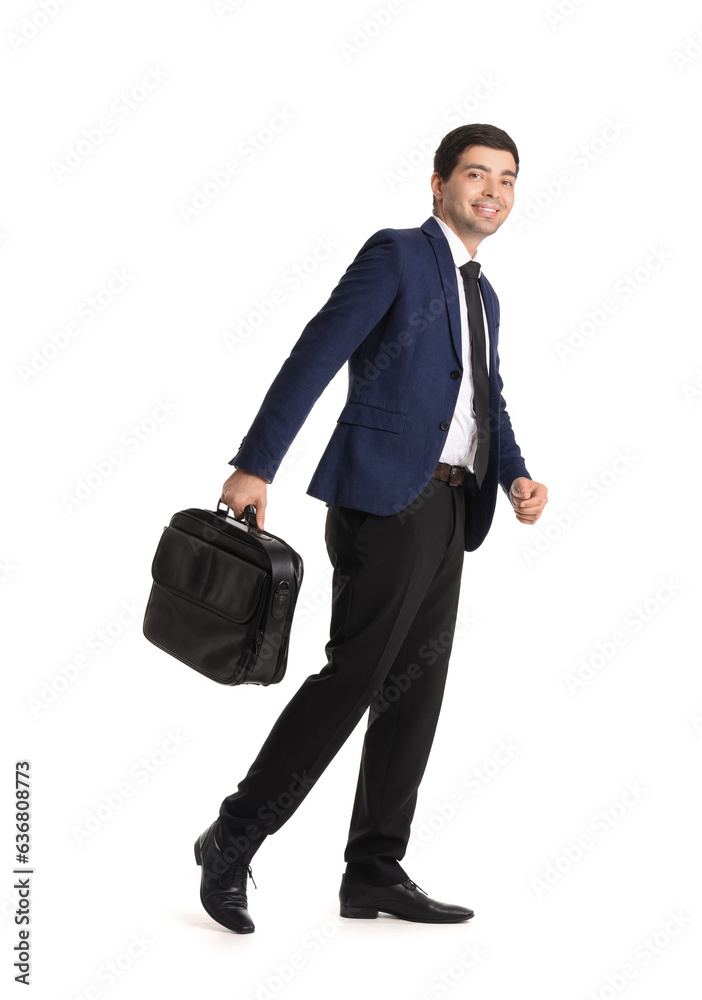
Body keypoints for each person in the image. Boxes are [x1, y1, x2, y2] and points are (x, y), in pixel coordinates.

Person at [194, 123, 549, 934]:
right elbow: (315, 353)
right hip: (387, 501)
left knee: (415, 690)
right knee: (354, 679)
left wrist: (516, 474)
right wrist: (257, 463)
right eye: (475, 175)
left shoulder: (482, 290)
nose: (492, 191)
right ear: (438, 184)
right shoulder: (396, 254)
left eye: (507, 178)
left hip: (454, 507)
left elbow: (484, 401)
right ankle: (234, 835)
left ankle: (375, 869)